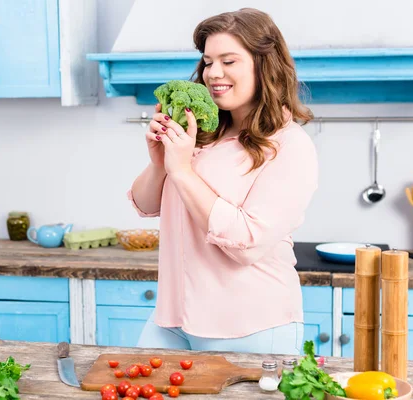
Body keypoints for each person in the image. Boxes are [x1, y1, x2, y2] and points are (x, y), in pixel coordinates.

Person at [127, 7, 318, 355]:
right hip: (172, 319)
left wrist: (182, 171)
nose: (214, 73)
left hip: (249, 325)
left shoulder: (290, 145)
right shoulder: (203, 132)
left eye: (229, 61)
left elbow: (247, 241)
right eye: (208, 61)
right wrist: (160, 164)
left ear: (265, 64)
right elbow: (145, 204)